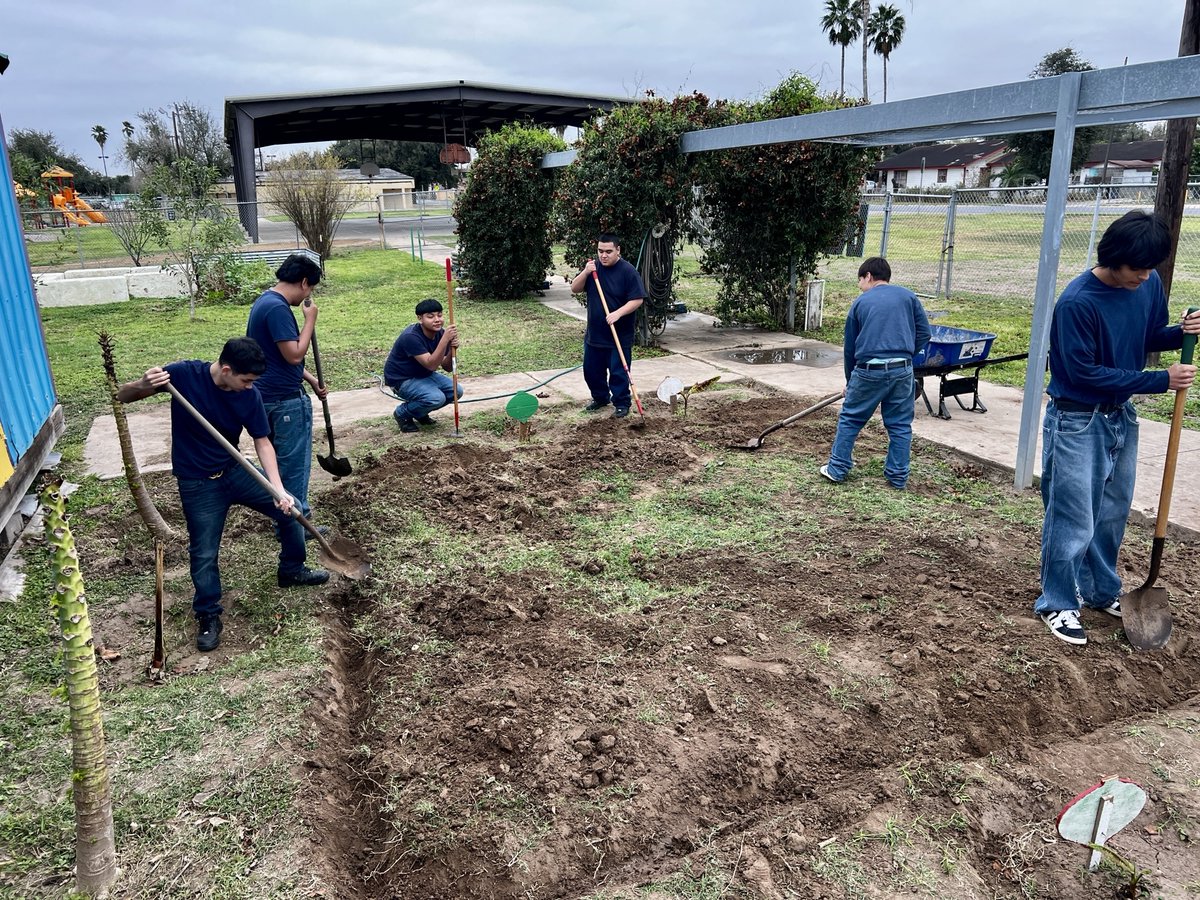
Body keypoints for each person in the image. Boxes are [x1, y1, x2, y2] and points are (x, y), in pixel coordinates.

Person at [1035, 210, 1200, 646]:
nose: (1144, 277)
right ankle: (1056, 601)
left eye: (1151, 268)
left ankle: (1100, 591)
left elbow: (1144, 336)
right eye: (1137, 268)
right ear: (1112, 258)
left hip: (1120, 416)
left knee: (1111, 513)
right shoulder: (1077, 302)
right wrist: (1160, 381)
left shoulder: (1145, 288)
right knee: (1073, 517)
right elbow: (1084, 372)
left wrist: (1181, 333)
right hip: (1077, 418)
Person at [117, 338, 330, 652]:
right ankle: (208, 613)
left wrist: (277, 488)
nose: (249, 387)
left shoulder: (249, 394)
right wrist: (142, 383)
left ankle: (292, 570)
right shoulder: (183, 375)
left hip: (236, 471)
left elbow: (263, 442)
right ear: (227, 369)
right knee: (203, 552)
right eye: (245, 380)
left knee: (291, 509)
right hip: (198, 483)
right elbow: (123, 396)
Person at [821, 257, 930, 490]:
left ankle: (837, 469)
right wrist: (907, 353)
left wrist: (851, 381)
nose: (860, 286)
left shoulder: (861, 302)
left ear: (868, 276)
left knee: (850, 418)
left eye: (860, 281)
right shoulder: (909, 297)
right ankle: (898, 477)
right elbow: (924, 332)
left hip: (869, 370)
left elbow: (850, 348)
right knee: (900, 425)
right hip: (902, 370)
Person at [246, 254, 327, 522]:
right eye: (311, 288)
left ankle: (283, 514)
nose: (308, 295)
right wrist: (310, 320)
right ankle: (297, 521)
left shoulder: (264, 301)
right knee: (293, 466)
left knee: (278, 464)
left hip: (266, 396)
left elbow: (274, 356)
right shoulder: (278, 308)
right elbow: (293, 354)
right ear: (304, 282)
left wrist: (311, 379)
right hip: (284, 402)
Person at [569, 233, 645, 418]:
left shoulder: (628, 272)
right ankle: (600, 398)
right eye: (600, 251)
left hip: (619, 335)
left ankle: (621, 403)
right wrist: (586, 272)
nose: (603, 255)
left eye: (608, 251)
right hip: (595, 334)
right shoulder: (594, 269)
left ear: (618, 250)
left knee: (618, 373)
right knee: (591, 371)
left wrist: (618, 313)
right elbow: (575, 288)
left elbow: (637, 299)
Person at [384, 298, 463, 432]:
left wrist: (452, 350)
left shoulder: (441, 333)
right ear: (420, 319)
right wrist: (445, 340)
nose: (437, 319)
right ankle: (402, 413)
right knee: (435, 398)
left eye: (439, 315)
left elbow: (447, 367)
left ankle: (419, 412)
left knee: (456, 391)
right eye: (430, 317)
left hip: (423, 374)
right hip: (402, 379)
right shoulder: (411, 337)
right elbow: (431, 365)